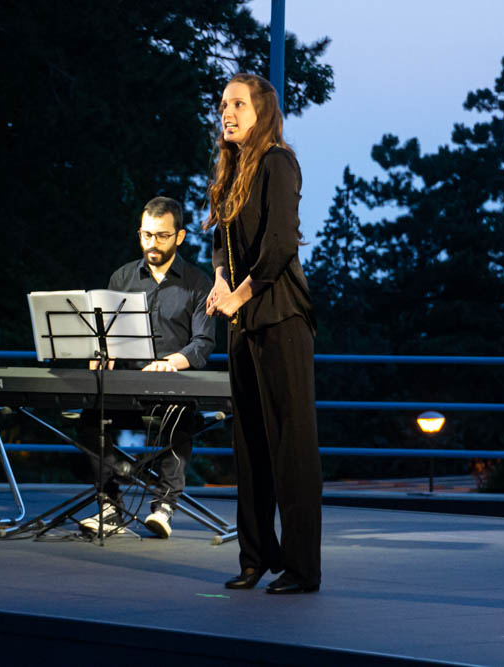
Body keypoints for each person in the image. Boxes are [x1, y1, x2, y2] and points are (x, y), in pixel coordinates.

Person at [204, 73, 322, 594]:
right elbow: (219, 241)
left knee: (290, 446)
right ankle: (254, 557)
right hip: (242, 322)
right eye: (223, 104)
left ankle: (301, 567)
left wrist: (239, 295)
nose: (226, 112)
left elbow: (278, 248)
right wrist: (218, 282)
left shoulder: (278, 161)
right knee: (248, 444)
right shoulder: (231, 170)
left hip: (280, 318)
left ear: (261, 111)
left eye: (237, 104)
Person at [78, 196, 215, 538]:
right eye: (146, 235)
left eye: (161, 236)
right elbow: (105, 334)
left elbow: (203, 343)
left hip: (172, 387)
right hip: (126, 385)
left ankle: (163, 506)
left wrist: (171, 362)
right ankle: (111, 505)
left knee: (180, 416)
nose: (152, 244)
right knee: (89, 417)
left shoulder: (198, 284)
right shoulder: (122, 277)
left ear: (179, 237)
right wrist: (102, 352)